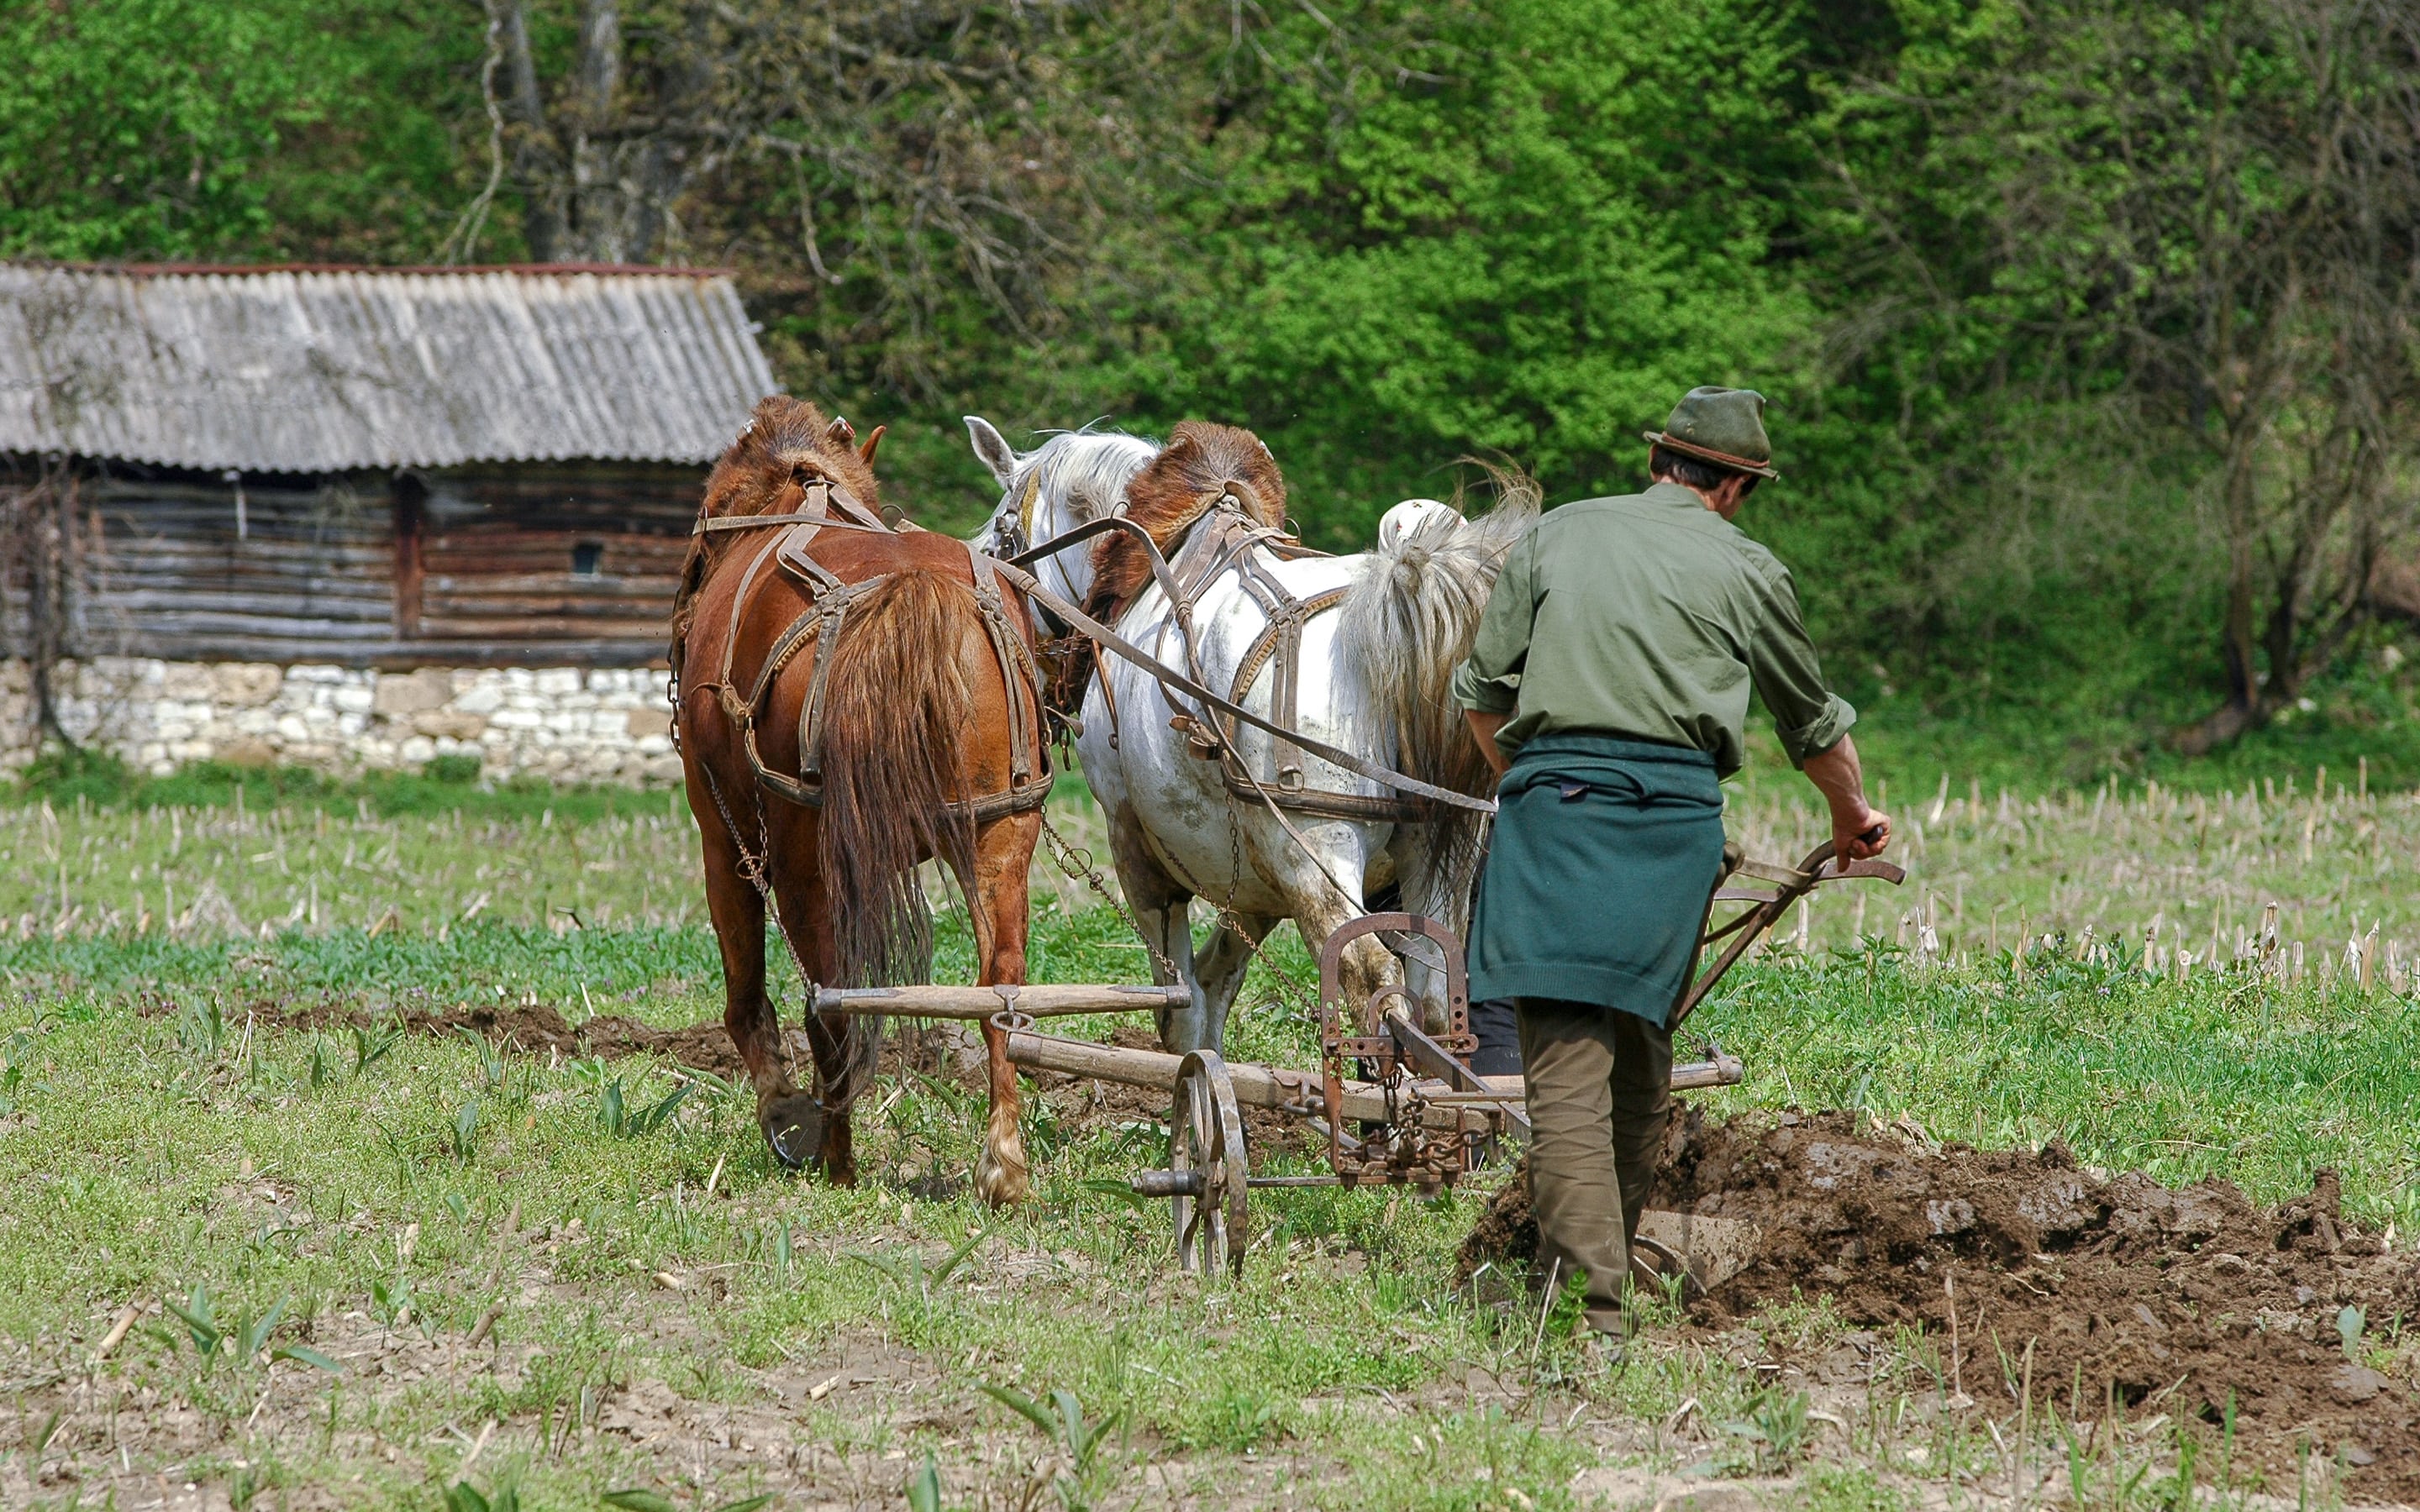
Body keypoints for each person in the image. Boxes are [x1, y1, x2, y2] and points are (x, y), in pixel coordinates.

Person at [1451, 386, 1891, 1349]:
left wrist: (1530, 785)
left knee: (1565, 1063)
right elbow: (1814, 727)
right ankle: (1589, 1290)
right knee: (1640, 1052)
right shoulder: (1749, 566)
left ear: (1662, 461)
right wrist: (1853, 817)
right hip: (1674, 826)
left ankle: (1586, 1314)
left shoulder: (1559, 534)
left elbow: (1480, 693)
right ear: (1734, 487)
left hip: (1555, 809)